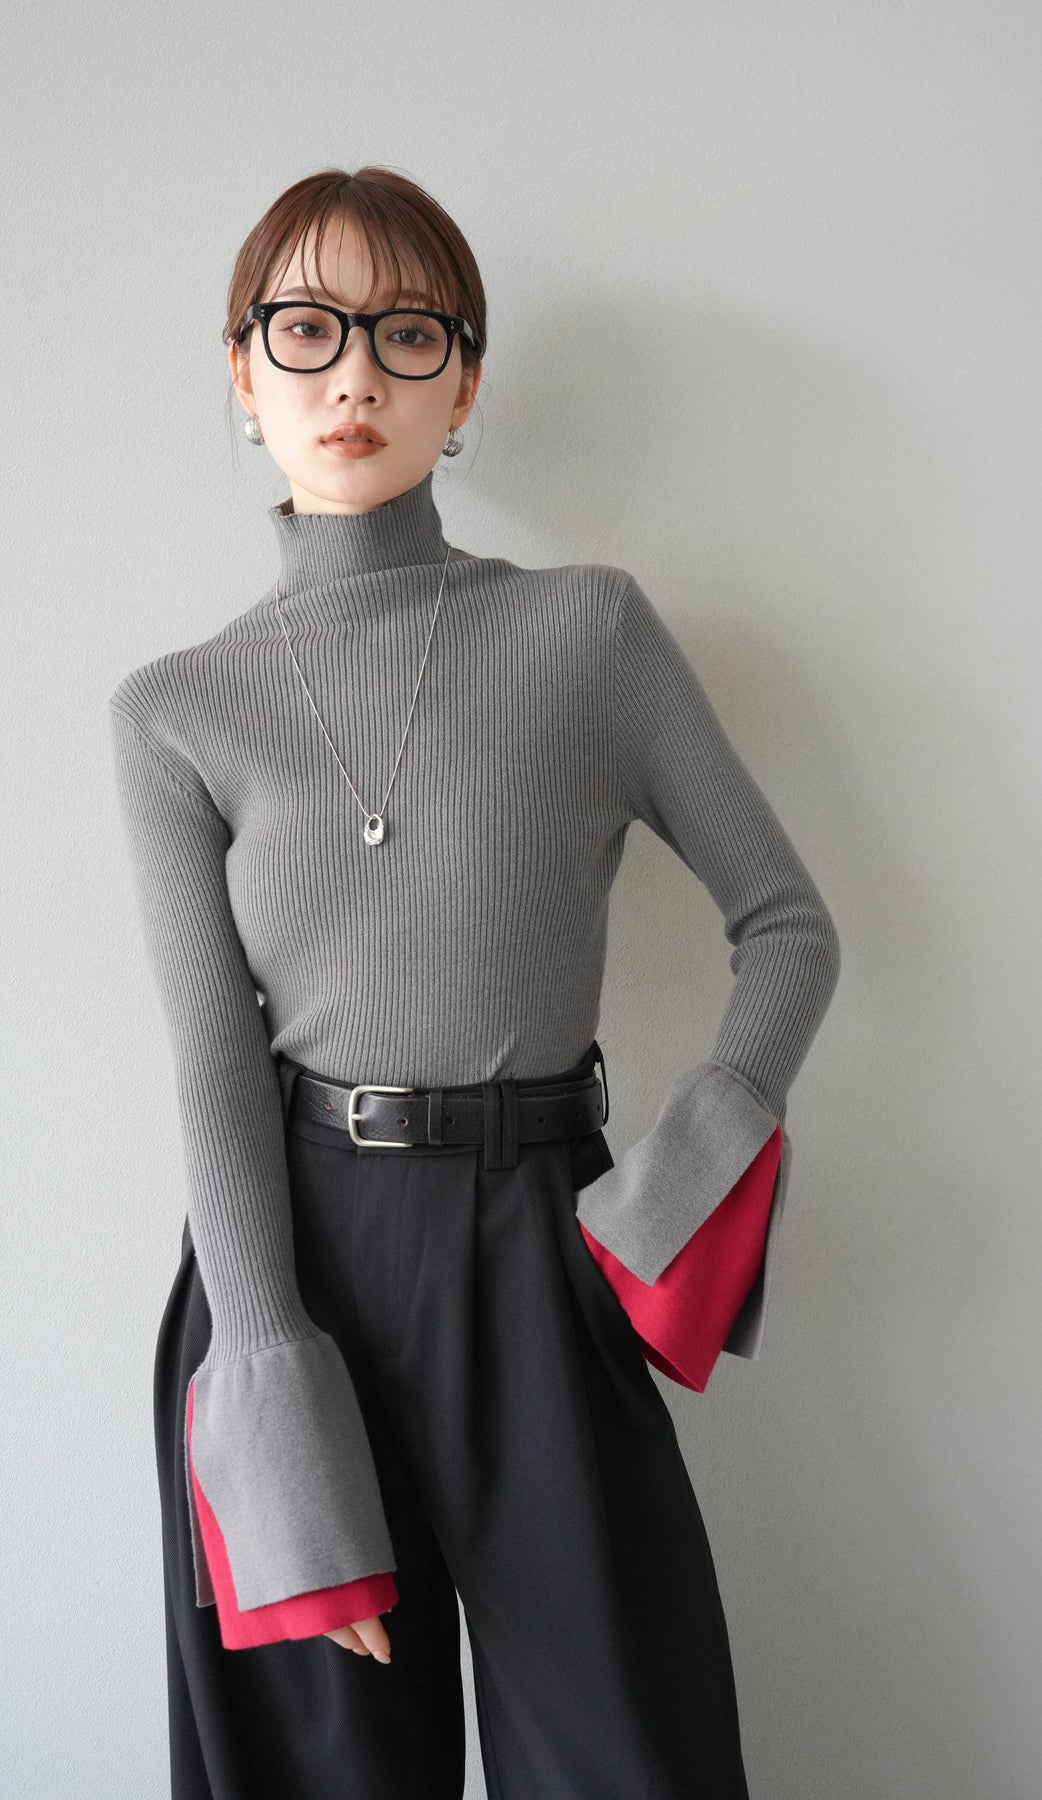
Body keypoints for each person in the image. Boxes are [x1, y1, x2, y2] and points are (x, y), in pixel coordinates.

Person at [108, 164, 842, 1799]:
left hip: (539, 1248)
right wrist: (272, 1394)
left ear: (467, 384)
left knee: (626, 1756)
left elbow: (787, 925)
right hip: (289, 1269)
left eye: (407, 331)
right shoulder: (174, 710)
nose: (354, 374)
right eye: (306, 329)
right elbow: (214, 1069)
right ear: (244, 373)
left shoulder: (589, 633)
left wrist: (665, 1197)